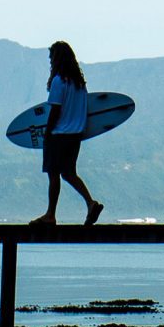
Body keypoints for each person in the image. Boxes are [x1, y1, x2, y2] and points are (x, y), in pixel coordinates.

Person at [31, 41, 103, 226]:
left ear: (57, 59)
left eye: (51, 57)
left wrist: (47, 133)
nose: (50, 61)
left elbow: (55, 110)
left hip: (59, 134)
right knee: (69, 173)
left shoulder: (59, 81)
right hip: (75, 135)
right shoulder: (80, 85)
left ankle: (50, 215)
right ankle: (91, 203)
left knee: (54, 174)